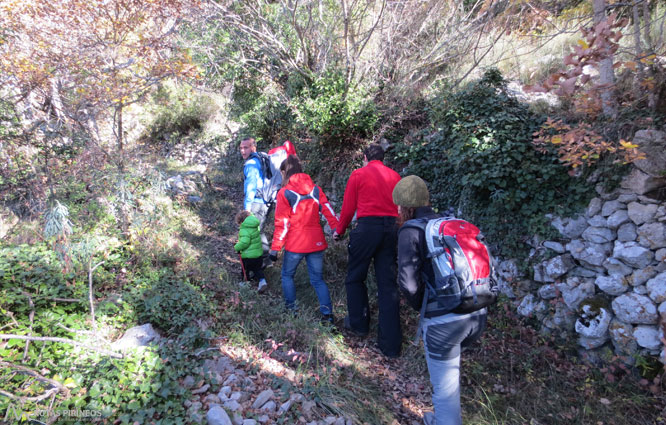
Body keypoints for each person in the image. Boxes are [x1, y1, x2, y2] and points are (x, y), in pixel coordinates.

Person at [393, 175, 487, 425]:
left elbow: (408, 283)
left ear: (405, 206)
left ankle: (446, 419)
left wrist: (424, 310)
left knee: (445, 390)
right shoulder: (447, 223)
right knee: (448, 378)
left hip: (444, 321)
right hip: (476, 312)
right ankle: (444, 417)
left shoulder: (410, 231)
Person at [332, 144, 402, 358]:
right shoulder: (395, 176)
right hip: (391, 229)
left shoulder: (359, 174)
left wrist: (339, 231)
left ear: (364, 157)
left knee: (355, 278)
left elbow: (348, 207)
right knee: (387, 284)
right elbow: (401, 207)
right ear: (383, 158)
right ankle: (391, 345)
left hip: (367, 228)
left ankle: (359, 324)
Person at [269, 155, 339, 323]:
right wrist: (337, 229)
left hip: (295, 244)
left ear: (285, 172)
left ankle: (292, 311)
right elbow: (328, 210)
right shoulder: (316, 189)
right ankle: (328, 316)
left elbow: (282, 224)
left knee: (287, 276)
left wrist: (275, 249)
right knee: (317, 279)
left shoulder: (284, 193)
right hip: (316, 242)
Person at [240, 137, 270, 255]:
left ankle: (255, 265)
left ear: (253, 148)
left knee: (252, 233)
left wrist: (247, 208)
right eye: (241, 148)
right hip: (265, 201)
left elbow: (251, 187)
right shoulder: (260, 159)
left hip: (256, 203)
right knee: (259, 231)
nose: (243, 151)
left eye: (246, 147)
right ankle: (265, 260)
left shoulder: (251, 164)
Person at [233, 210, 268, 293]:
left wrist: (237, 247)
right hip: (258, 255)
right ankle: (262, 281)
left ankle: (245, 283)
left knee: (245, 270)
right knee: (257, 269)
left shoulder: (244, 229)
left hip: (248, 256)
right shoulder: (256, 226)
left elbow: (245, 243)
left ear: (241, 221)